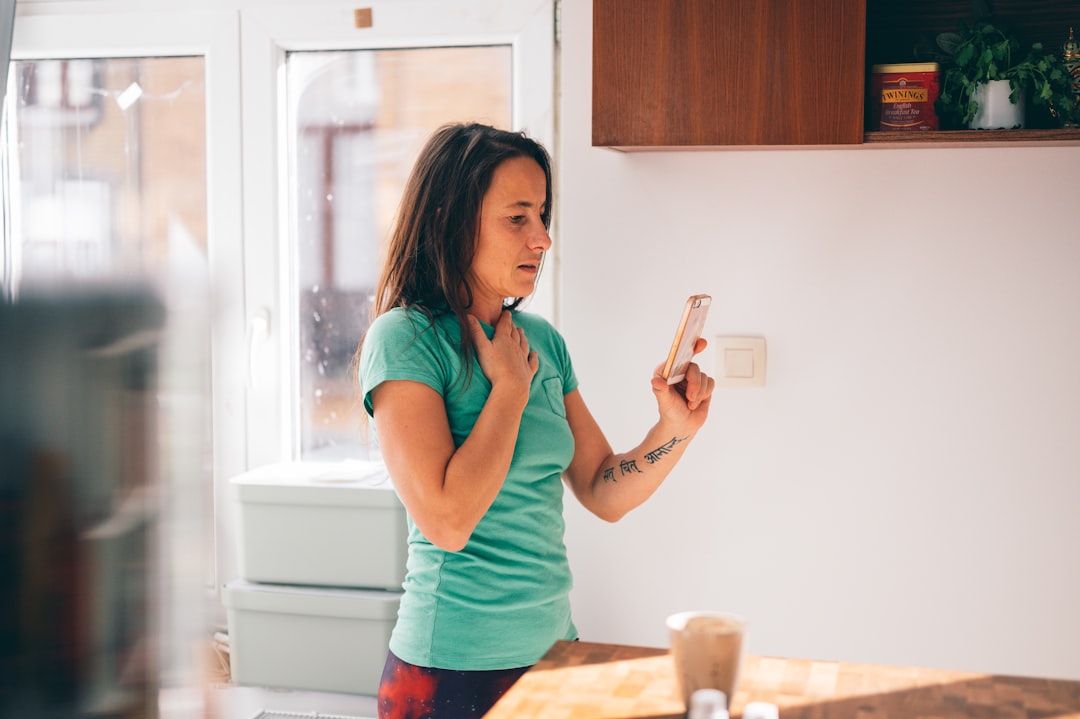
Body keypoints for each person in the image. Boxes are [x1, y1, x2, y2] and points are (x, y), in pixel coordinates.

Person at [355, 122, 715, 719]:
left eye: (542, 215)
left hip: (554, 652)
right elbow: (447, 521)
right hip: (449, 668)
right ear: (451, 219)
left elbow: (604, 489)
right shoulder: (404, 341)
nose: (542, 239)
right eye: (517, 217)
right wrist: (509, 390)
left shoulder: (542, 342)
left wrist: (674, 431)